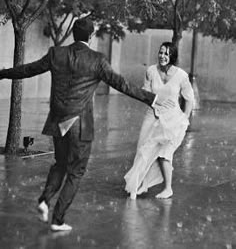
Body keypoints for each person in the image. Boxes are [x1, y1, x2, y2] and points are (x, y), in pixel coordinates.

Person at [0, 18, 174, 231]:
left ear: (74, 34)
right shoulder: (97, 60)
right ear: (91, 37)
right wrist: (152, 99)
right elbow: (122, 84)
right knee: (75, 172)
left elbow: (28, 70)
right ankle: (58, 219)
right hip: (79, 125)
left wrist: (3, 73)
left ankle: (45, 200)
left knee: (60, 164)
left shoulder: (56, 54)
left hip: (58, 121)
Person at [124, 42, 194, 200]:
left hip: (173, 120)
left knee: (164, 154)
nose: (162, 56)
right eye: (161, 53)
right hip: (152, 114)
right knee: (143, 150)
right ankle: (140, 185)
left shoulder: (181, 76)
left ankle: (168, 188)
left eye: (167, 54)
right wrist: (156, 101)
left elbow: (189, 99)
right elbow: (145, 93)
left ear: (172, 57)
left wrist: (185, 118)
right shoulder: (150, 70)